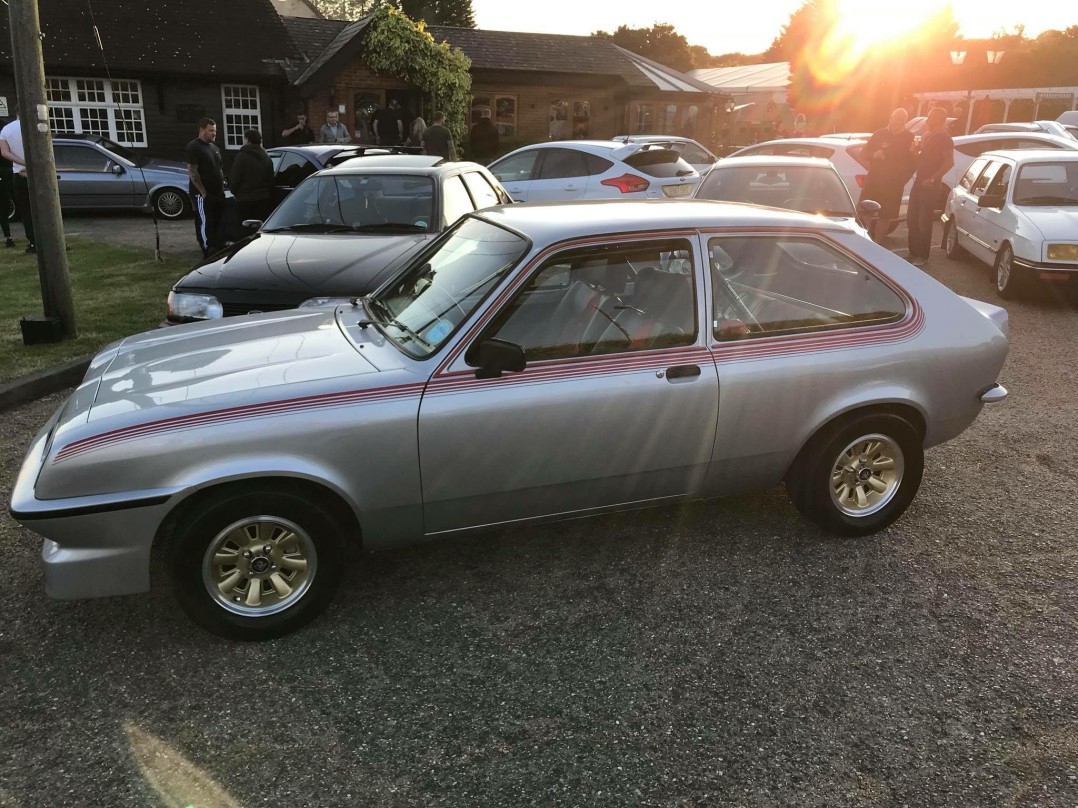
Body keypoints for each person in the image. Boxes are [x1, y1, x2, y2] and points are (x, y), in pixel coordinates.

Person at [857, 107, 915, 242]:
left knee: (885, 215)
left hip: (893, 184)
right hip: (874, 180)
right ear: (891, 118)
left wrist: (902, 180)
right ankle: (865, 238)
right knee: (864, 209)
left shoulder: (909, 137)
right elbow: (863, 154)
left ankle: (877, 244)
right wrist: (874, 155)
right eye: (896, 118)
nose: (898, 122)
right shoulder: (879, 134)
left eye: (902, 120)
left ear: (905, 121)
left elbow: (912, 164)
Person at [906, 107, 954, 267]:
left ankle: (922, 256)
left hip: (931, 184)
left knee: (923, 220)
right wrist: (915, 152)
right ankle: (912, 252)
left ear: (939, 119)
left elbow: (949, 162)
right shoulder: (926, 135)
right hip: (919, 180)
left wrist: (933, 178)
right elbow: (921, 155)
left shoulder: (944, 138)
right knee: (911, 217)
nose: (927, 120)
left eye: (931, 117)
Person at [185, 117, 226, 257]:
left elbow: (219, 168)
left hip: (218, 192)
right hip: (203, 194)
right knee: (205, 221)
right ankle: (208, 248)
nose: (214, 134)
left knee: (217, 221)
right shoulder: (194, 147)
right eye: (211, 131)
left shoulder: (215, 148)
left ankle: (217, 245)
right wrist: (203, 192)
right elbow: (192, 171)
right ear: (202, 130)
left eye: (215, 131)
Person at [0, 108, 34, 254]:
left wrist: (22, 162)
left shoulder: (6, 130)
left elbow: (5, 152)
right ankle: (50, 240)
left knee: (26, 211)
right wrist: (31, 164)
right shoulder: (34, 126)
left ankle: (32, 242)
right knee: (44, 210)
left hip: (18, 173)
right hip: (37, 173)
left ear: (16, 112)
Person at [229, 129, 275, 225]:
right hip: (264, 199)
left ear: (247, 139)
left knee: (244, 230)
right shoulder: (267, 157)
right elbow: (271, 179)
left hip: (245, 200)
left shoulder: (241, 157)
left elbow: (234, 179)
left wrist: (235, 192)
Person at [0, 146, 15, 249]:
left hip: (4, 184)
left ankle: (8, 237)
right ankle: (8, 237)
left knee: (3, 213)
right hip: (5, 182)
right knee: (3, 213)